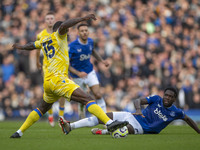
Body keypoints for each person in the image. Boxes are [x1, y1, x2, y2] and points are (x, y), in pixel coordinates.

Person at [10, 14, 128, 138]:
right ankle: (109, 123)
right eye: (66, 31)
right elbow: (63, 25)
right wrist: (82, 18)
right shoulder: (58, 36)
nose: (67, 33)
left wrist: (20, 47)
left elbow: (32, 45)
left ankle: (19, 131)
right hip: (58, 80)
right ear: (62, 30)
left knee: (42, 108)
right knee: (87, 99)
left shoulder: (45, 40)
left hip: (48, 82)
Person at [58, 87, 200, 135]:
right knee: (100, 115)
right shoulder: (156, 99)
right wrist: (138, 110)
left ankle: (104, 131)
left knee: (122, 131)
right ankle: (70, 127)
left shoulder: (176, 112)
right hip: (131, 115)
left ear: (174, 99)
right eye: (166, 95)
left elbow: (187, 119)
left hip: (141, 127)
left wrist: (198, 131)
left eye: (170, 96)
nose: (167, 98)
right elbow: (137, 100)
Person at [68, 23, 108, 118]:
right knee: (83, 97)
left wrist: (102, 61)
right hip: (77, 76)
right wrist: (78, 73)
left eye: (86, 30)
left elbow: (93, 51)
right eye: (82, 31)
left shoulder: (90, 41)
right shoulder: (72, 46)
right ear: (78, 33)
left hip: (89, 71)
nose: (84, 32)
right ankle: (82, 115)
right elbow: (67, 65)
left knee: (97, 94)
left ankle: (105, 117)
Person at [36, 11, 65, 127]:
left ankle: (61, 116)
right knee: (49, 91)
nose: (50, 20)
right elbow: (37, 50)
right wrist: (37, 61)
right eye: (47, 18)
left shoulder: (60, 33)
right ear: (45, 20)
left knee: (63, 90)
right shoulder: (40, 35)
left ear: (54, 20)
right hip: (47, 67)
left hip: (59, 66)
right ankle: (51, 115)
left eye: (51, 18)